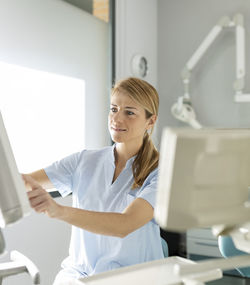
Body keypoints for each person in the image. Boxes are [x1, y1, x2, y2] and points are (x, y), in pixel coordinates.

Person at [23, 77, 165, 284]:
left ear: (150, 121)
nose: (117, 119)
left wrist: (59, 211)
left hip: (134, 277)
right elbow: (25, 181)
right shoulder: (84, 161)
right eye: (114, 109)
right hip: (80, 274)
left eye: (130, 112)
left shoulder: (160, 171)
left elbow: (124, 225)